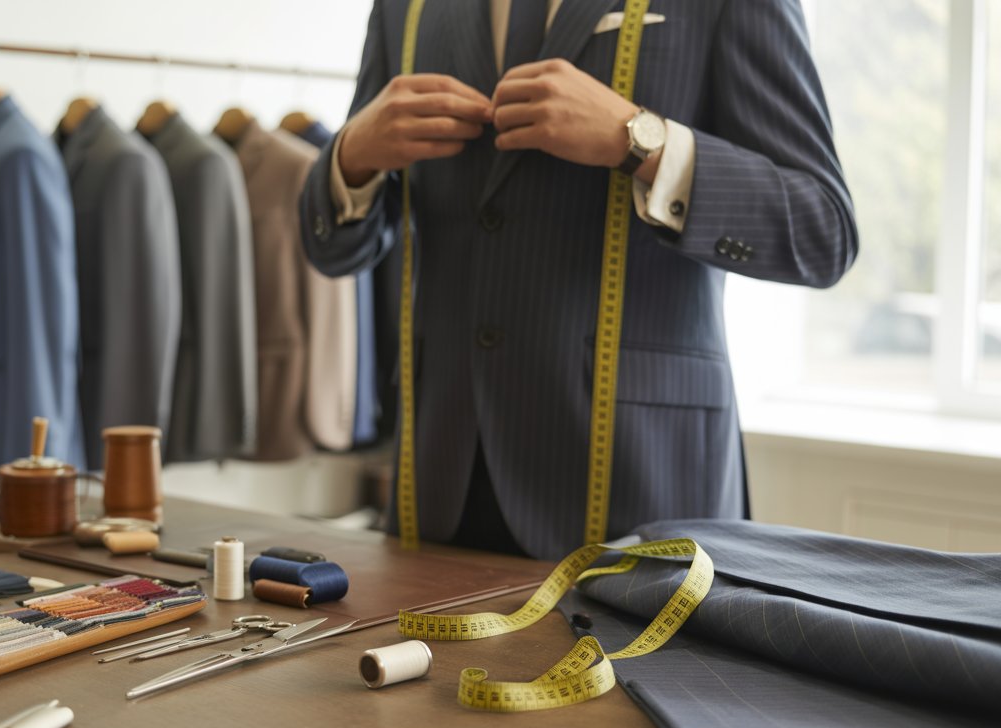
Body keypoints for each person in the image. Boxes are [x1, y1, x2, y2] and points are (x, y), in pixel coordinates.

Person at [299, 0, 857, 560]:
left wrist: (639, 141)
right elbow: (335, 248)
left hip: (639, 478)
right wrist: (352, 155)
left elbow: (822, 231)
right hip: (443, 477)